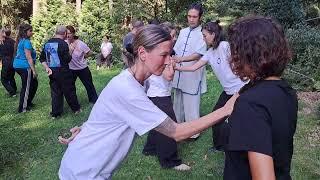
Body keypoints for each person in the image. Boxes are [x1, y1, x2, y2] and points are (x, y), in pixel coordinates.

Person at [58, 25, 238, 180]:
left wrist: (85, 128)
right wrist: (225, 109)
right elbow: (176, 132)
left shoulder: (138, 81)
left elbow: (102, 111)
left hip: (88, 168)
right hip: (82, 172)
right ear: (142, 53)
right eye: (164, 55)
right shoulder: (127, 89)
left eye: (171, 54)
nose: (170, 60)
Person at [223, 16, 298, 180]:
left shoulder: (250, 103)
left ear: (248, 54)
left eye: (236, 50)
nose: (232, 56)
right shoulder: (286, 90)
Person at [175, 20, 246, 152]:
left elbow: (239, 60)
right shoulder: (210, 53)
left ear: (213, 34)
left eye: (204, 35)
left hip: (241, 89)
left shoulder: (225, 46)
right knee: (216, 117)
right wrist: (176, 67)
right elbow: (193, 67)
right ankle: (219, 147)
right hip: (227, 91)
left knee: (238, 120)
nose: (203, 38)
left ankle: (238, 147)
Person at [142, 23, 189, 171]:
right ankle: (170, 161)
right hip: (159, 94)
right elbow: (168, 76)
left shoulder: (157, 51)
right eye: (172, 36)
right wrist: (172, 65)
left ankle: (150, 149)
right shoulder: (162, 56)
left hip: (155, 93)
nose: (174, 39)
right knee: (169, 126)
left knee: (156, 122)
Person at [171, 2, 207, 139]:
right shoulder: (183, 31)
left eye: (194, 17)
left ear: (200, 17)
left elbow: (198, 54)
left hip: (193, 72)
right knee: (178, 100)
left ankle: (193, 132)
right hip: (179, 72)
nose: (191, 19)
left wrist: (181, 60)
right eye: (189, 16)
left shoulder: (203, 33)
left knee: (191, 102)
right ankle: (178, 126)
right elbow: (177, 49)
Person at [39, 25, 81, 118]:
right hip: (64, 72)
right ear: (65, 33)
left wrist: (47, 68)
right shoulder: (63, 44)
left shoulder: (47, 43)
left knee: (55, 92)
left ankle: (56, 113)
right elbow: (67, 59)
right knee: (69, 91)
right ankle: (76, 109)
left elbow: (42, 59)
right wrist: (70, 51)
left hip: (52, 73)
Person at [66, 25, 98, 104]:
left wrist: (84, 56)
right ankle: (73, 104)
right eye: (66, 33)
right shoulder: (64, 43)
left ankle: (94, 101)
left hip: (82, 68)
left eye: (69, 33)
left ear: (73, 33)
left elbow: (90, 52)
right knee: (70, 87)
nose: (67, 35)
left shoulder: (81, 44)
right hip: (70, 69)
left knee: (89, 85)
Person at [13, 23, 38, 113]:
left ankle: (28, 102)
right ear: (25, 32)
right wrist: (34, 71)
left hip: (18, 66)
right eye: (30, 31)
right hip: (24, 67)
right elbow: (29, 57)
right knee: (26, 87)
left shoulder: (21, 40)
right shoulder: (26, 42)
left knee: (34, 83)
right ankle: (22, 108)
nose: (32, 32)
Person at [0, 28, 17, 97]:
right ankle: (14, 90)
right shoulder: (11, 41)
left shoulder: (1, 42)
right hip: (13, 60)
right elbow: (16, 48)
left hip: (6, 62)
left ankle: (12, 92)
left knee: (3, 79)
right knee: (11, 76)